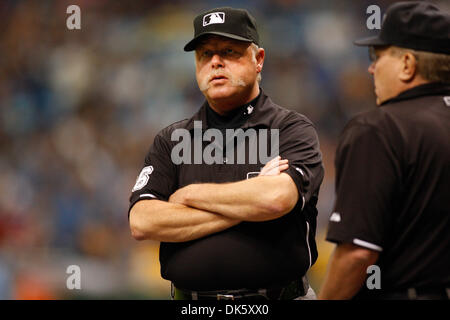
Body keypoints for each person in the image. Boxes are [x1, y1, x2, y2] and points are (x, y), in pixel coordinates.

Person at [128, 7, 324, 300]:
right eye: (205, 54)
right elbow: (142, 222)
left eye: (229, 51)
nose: (216, 62)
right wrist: (249, 204)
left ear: (258, 60)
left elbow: (276, 199)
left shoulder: (290, 129)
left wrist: (188, 196)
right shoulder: (171, 140)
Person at [319, 1, 450, 300]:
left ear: (407, 64)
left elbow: (356, 253)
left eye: (377, 57)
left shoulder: (379, 128)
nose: (371, 68)